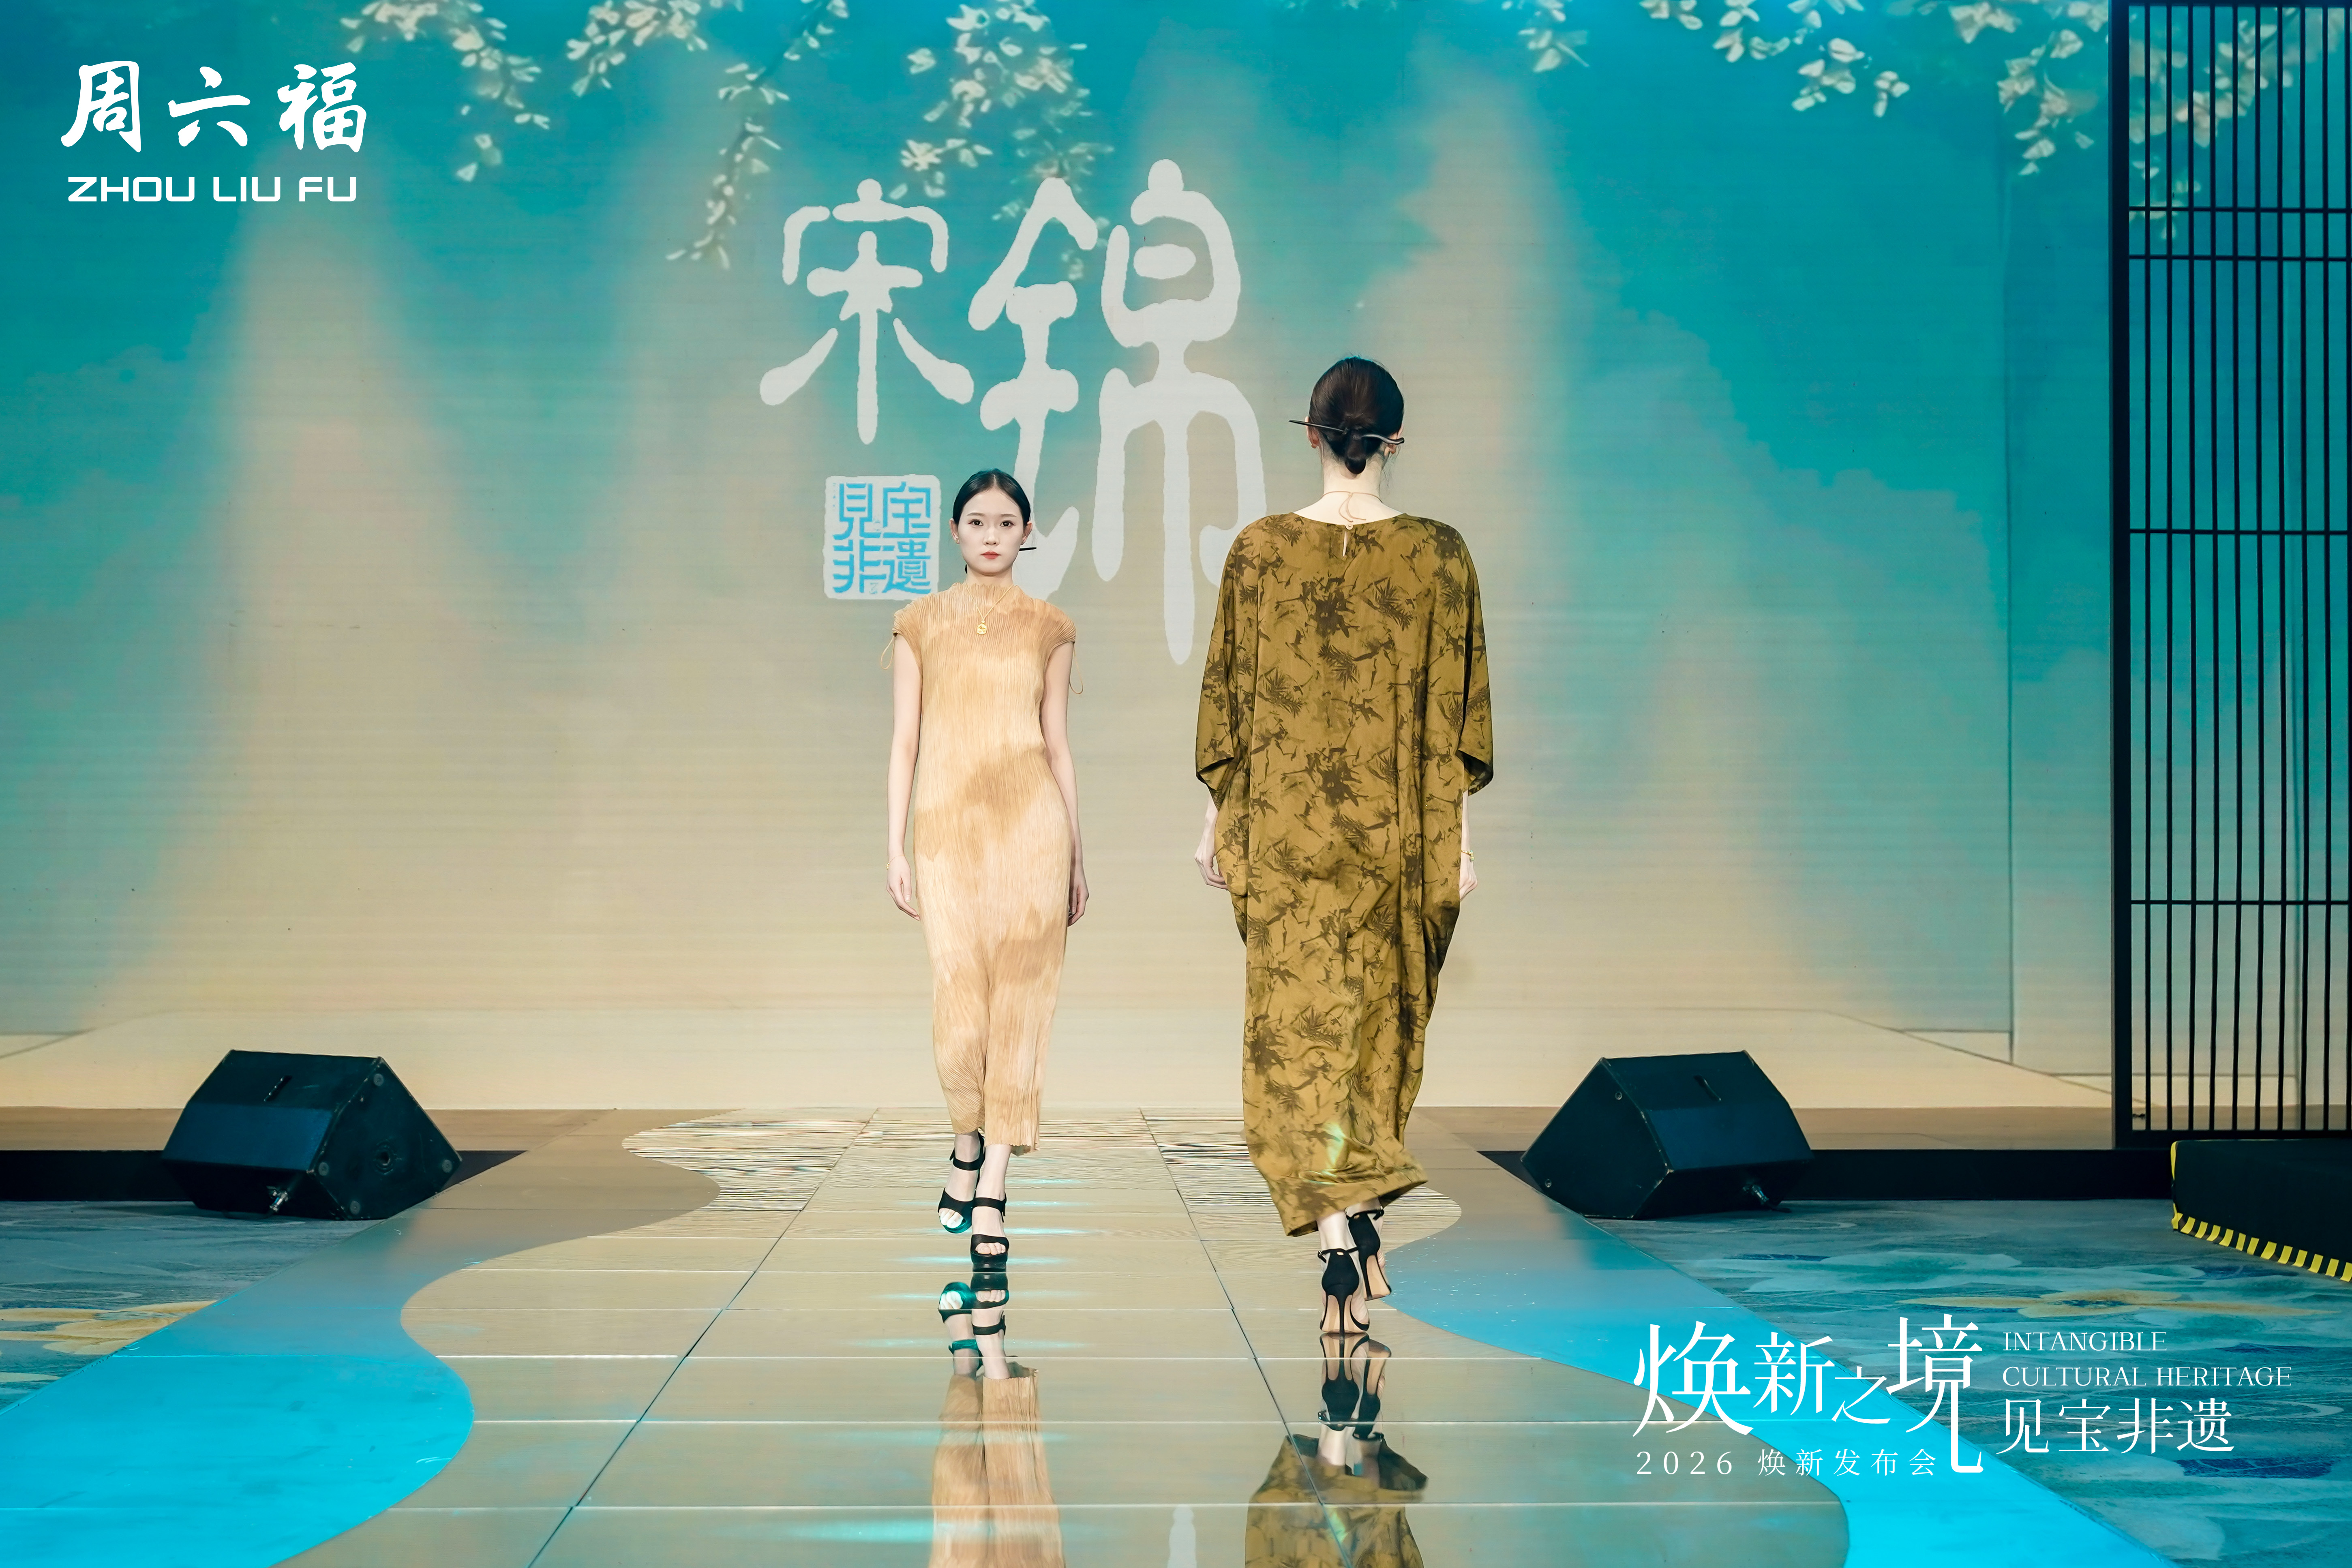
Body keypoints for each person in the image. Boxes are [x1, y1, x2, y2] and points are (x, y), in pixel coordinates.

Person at [1193, 357, 1492, 1335]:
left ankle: (1335, 1233)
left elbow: (1231, 708)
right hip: (1398, 834)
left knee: (1297, 1037)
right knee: (1378, 1032)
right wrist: (1460, 843)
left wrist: (1215, 822)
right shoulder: (1440, 555)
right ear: (1393, 441)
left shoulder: (1259, 551)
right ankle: (1359, 1217)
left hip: (1286, 834)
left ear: (1313, 434)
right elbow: (1458, 718)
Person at [887, 470, 1087, 1277]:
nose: (992, 535)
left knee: (1022, 1006)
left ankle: (994, 1187)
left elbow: (1058, 745)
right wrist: (894, 846)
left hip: (1033, 830)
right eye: (977, 521)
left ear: (1027, 532)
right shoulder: (919, 622)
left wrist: (1078, 854)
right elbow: (905, 740)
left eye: (1007, 522)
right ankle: (966, 1138)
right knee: (960, 1009)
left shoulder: (1050, 626)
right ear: (955, 530)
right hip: (946, 833)